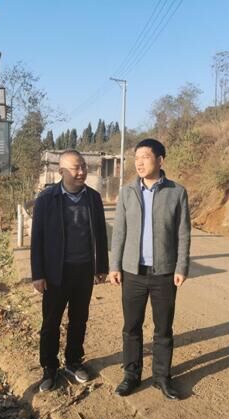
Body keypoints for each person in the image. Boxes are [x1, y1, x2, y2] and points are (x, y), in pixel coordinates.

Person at [109, 138, 191, 400]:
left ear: (160, 160)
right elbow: (119, 232)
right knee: (131, 327)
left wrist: (181, 266)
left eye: (145, 157)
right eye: (136, 158)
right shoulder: (127, 192)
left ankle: (161, 377)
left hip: (164, 273)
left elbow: (183, 233)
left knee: (163, 329)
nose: (139, 162)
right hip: (133, 273)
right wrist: (115, 265)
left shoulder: (177, 192)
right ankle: (131, 375)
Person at [30, 149, 109, 393]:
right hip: (56, 273)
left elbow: (100, 234)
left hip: (83, 270)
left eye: (83, 166)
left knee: (79, 319)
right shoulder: (47, 199)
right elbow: (37, 238)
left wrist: (101, 266)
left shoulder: (93, 198)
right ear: (61, 171)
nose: (81, 171)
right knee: (51, 322)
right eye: (76, 167)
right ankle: (49, 368)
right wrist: (38, 274)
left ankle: (74, 361)